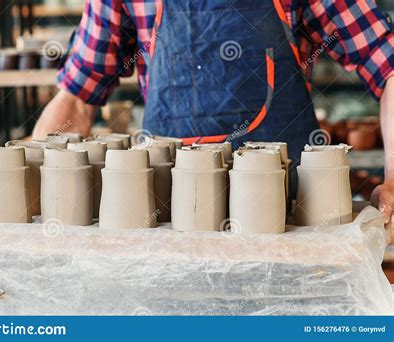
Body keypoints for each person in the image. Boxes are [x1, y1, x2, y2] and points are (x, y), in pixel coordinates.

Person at [33, 0, 394, 226]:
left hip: (288, 221)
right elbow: (78, 98)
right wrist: (34, 186)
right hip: (168, 222)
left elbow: (388, 65)